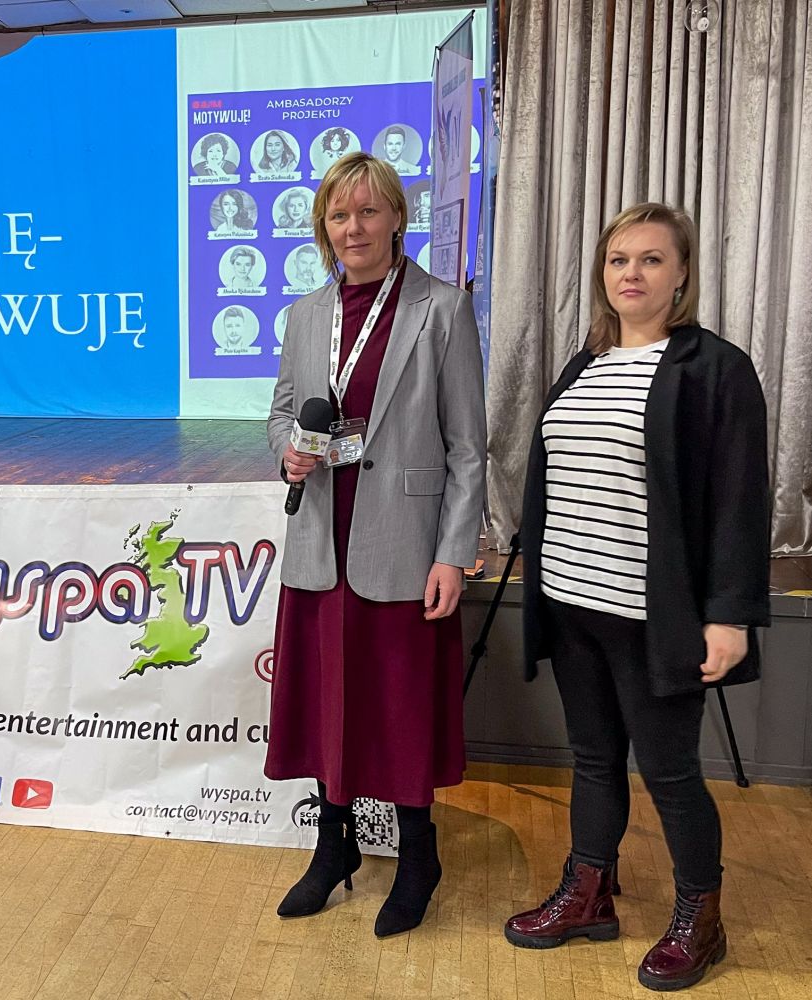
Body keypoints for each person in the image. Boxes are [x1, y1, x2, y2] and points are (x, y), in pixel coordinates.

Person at [503, 203, 770, 992]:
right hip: (570, 601)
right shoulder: (583, 364)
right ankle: (588, 892)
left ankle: (700, 918)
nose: (631, 273)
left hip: (652, 616)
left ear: (680, 273)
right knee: (591, 759)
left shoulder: (714, 368)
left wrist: (728, 616)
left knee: (669, 772)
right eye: (618, 259)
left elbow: (739, 501)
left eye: (651, 259)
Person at [265, 152, 485, 935]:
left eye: (366, 211)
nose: (352, 227)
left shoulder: (440, 309)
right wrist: (288, 453)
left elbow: (467, 448)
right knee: (328, 702)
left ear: (396, 217)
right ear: (322, 227)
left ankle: (418, 855)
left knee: (397, 708)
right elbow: (282, 413)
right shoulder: (304, 315)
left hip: (403, 547)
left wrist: (452, 552)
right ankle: (334, 848)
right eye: (338, 214)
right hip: (320, 542)